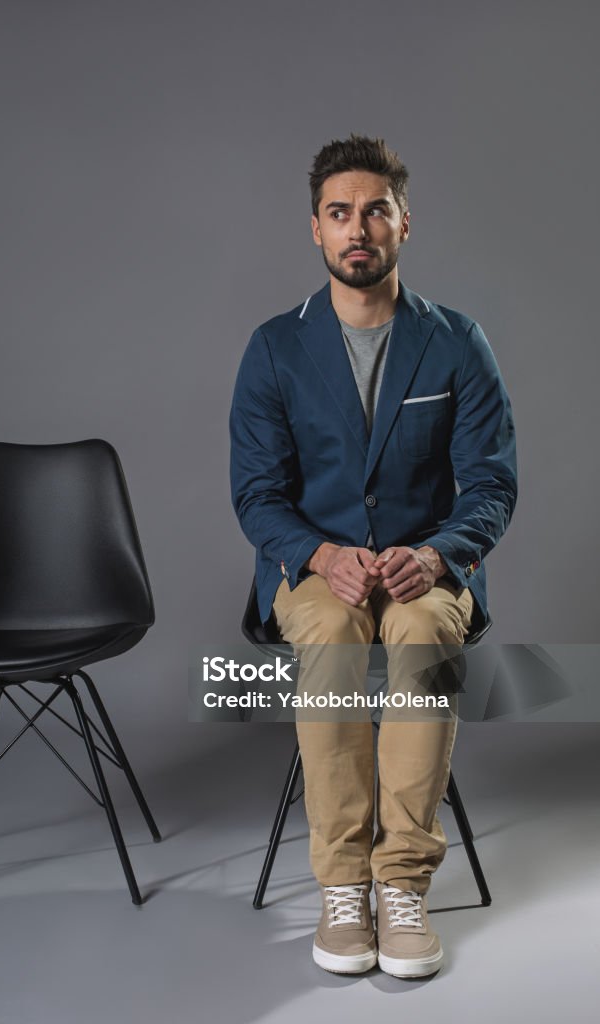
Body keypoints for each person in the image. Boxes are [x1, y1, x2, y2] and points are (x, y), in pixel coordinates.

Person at [229, 134, 517, 979]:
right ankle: (343, 886)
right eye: (339, 213)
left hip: (426, 571)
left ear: (403, 223)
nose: (359, 228)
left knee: (425, 640)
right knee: (330, 640)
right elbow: (256, 494)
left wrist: (436, 556)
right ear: (315, 230)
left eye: (375, 211)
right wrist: (320, 555)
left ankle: (402, 884)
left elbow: (493, 485)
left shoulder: (458, 341)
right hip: (312, 574)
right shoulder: (275, 347)